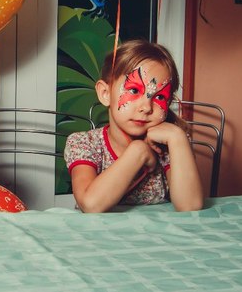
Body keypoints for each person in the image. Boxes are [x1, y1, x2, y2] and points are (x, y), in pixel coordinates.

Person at [64, 40, 203, 213]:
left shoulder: (169, 144)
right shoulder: (85, 143)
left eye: (160, 97)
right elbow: (91, 204)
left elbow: (190, 206)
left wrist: (177, 138)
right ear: (105, 93)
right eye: (134, 91)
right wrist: (139, 151)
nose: (146, 107)